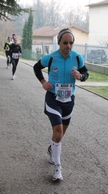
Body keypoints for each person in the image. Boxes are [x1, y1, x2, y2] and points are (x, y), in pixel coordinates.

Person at [33, 28, 89, 181]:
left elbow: (86, 73)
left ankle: (52, 148)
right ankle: (57, 167)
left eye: (71, 43)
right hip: (53, 99)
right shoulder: (51, 58)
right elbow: (36, 67)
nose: (68, 46)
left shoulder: (77, 58)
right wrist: (43, 82)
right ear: (59, 43)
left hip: (69, 101)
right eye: (65, 42)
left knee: (60, 135)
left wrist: (81, 76)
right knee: (58, 132)